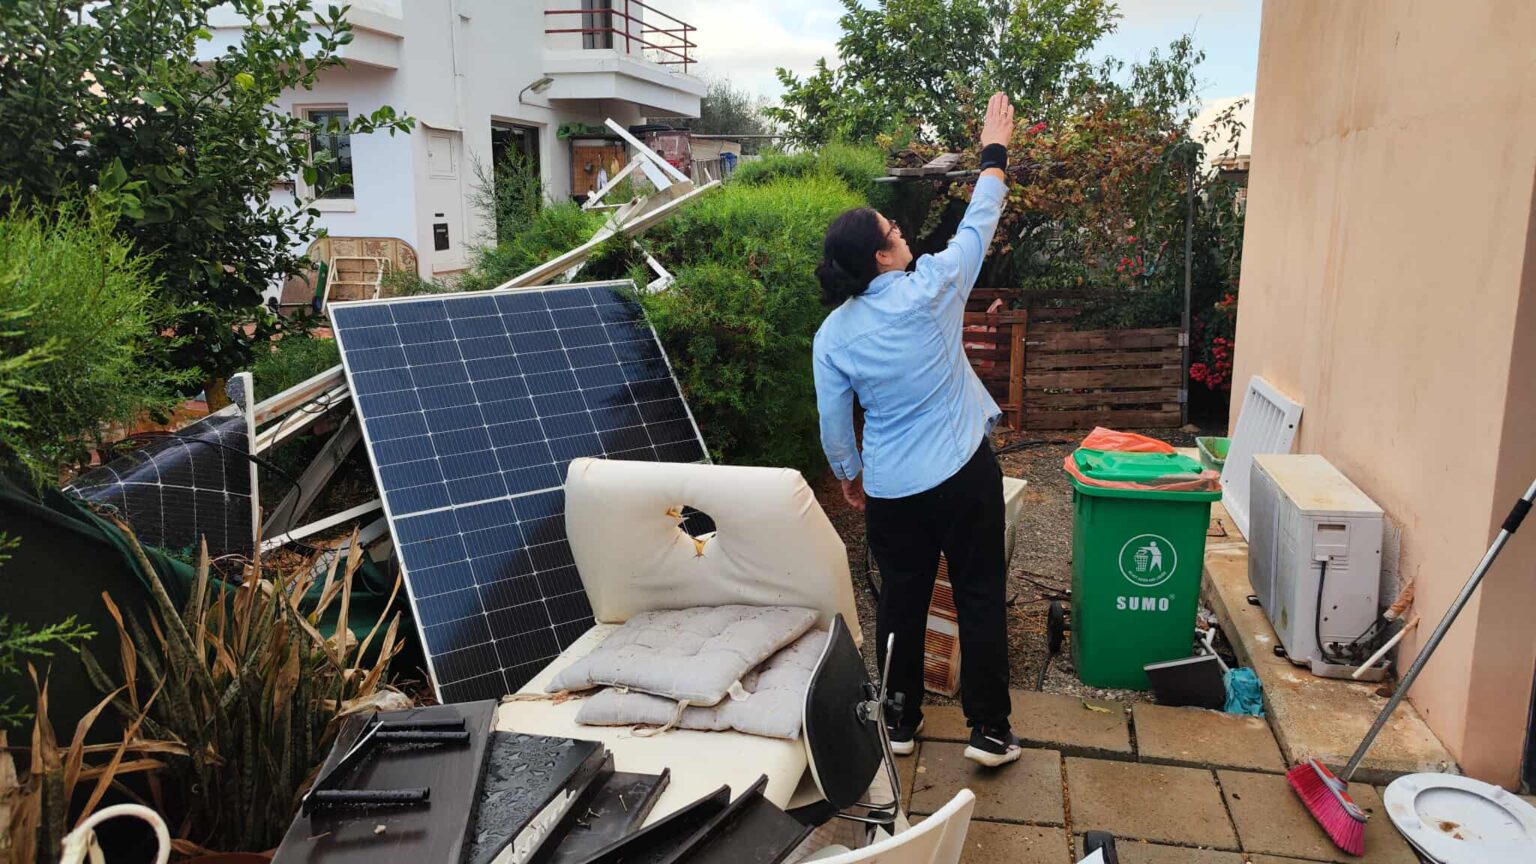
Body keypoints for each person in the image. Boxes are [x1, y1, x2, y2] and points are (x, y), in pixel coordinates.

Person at [812, 92, 1019, 767]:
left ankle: (898, 722)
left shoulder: (832, 335)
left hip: (895, 489)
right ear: (881, 258)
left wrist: (849, 476)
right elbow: (981, 220)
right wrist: (994, 150)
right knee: (979, 594)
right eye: (892, 231)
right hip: (964, 472)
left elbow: (833, 421)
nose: (903, 233)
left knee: (900, 600)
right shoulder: (934, 286)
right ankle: (989, 731)